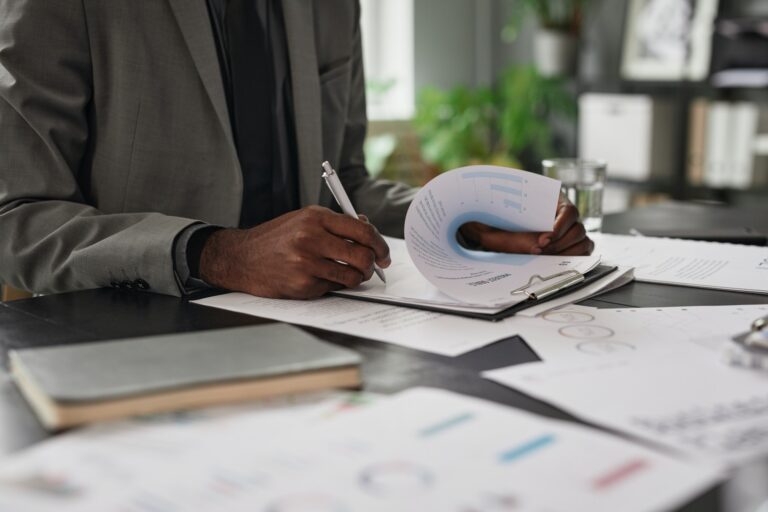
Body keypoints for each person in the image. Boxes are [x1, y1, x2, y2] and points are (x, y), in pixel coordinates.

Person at [0, 0, 593, 300]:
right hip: (135, 342)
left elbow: (347, 184)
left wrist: (468, 225)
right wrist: (220, 254)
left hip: (327, 331)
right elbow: (16, 218)